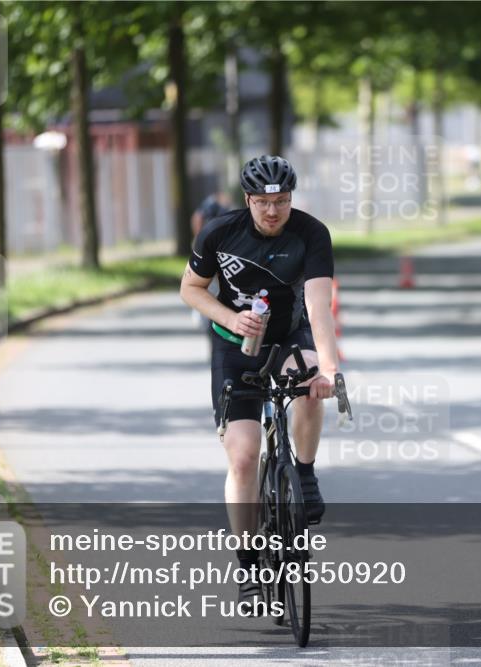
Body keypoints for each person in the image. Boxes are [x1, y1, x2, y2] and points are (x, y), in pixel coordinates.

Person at [179, 155, 340, 611]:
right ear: (248, 199)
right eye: (264, 202)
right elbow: (190, 289)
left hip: (291, 333)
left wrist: (328, 368)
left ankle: (304, 474)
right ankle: (249, 564)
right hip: (235, 345)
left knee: (310, 379)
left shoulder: (311, 234)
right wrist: (232, 318)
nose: (273, 211)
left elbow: (318, 308)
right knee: (245, 457)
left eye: (282, 201)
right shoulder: (219, 232)